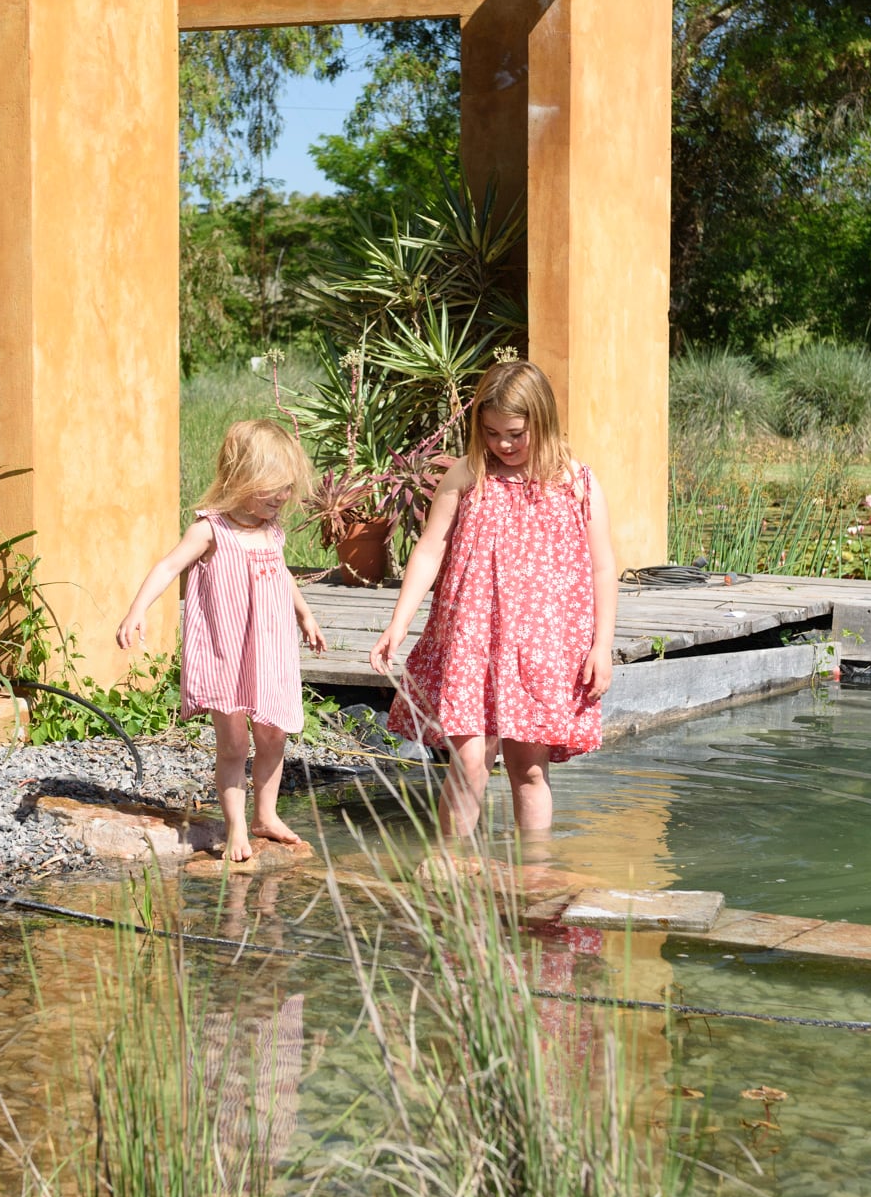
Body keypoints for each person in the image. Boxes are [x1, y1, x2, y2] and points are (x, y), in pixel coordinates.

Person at [369, 360, 616, 837]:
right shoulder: (468, 475)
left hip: (541, 651)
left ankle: (535, 877)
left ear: (543, 423)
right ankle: (451, 867)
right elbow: (430, 548)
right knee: (468, 766)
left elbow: (603, 567)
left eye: (516, 433)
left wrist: (600, 646)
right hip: (472, 643)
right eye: (492, 432)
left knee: (530, 769)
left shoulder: (577, 483)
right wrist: (399, 622)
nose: (503, 444)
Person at [116, 419, 326, 863]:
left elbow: (282, 573)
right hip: (226, 654)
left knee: (273, 736)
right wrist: (138, 609)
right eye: (273, 489)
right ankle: (234, 827)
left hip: (269, 654)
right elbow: (168, 567)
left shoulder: (271, 532)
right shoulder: (210, 530)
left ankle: (265, 815)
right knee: (234, 745)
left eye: (286, 489)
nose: (281, 499)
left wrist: (304, 613)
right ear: (240, 478)